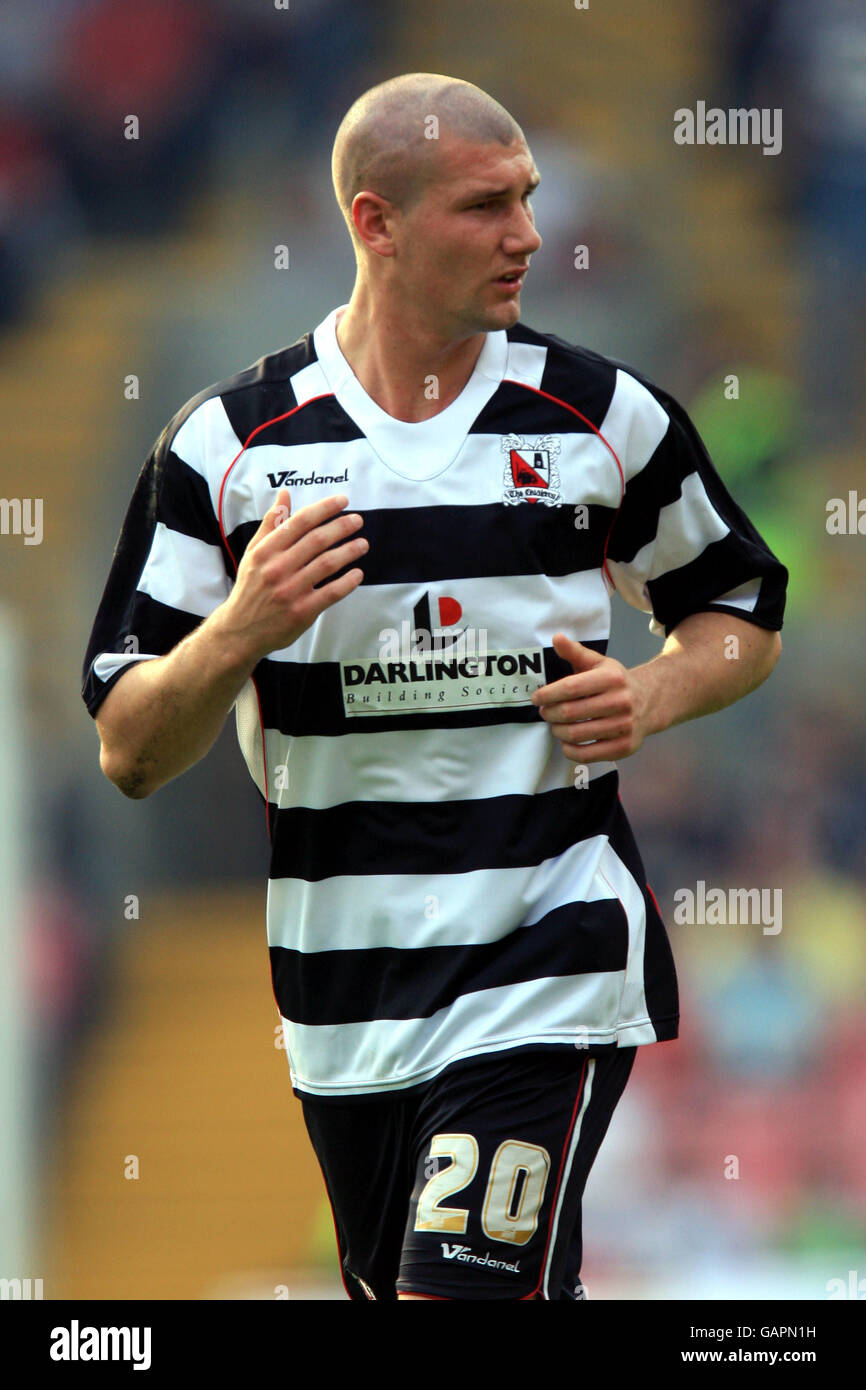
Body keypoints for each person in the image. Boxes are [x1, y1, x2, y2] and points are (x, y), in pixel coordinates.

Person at [81, 72, 787, 1301]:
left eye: (526, 199)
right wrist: (239, 627)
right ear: (375, 222)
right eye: (483, 206)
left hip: (547, 951)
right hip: (340, 994)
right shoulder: (227, 448)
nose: (526, 233)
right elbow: (130, 748)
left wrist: (654, 695)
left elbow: (738, 606)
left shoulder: (597, 416)